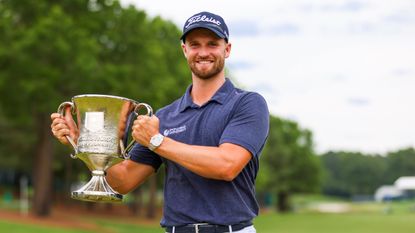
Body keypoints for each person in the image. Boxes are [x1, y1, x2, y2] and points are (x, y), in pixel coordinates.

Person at [51, 11, 269, 233]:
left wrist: (157, 141)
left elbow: (226, 165)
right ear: (185, 50)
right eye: (195, 45)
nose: (203, 52)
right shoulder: (165, 117)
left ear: (227, 49)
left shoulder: (247, 104)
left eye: (212, 44)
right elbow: (122, 182)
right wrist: (80, 141)